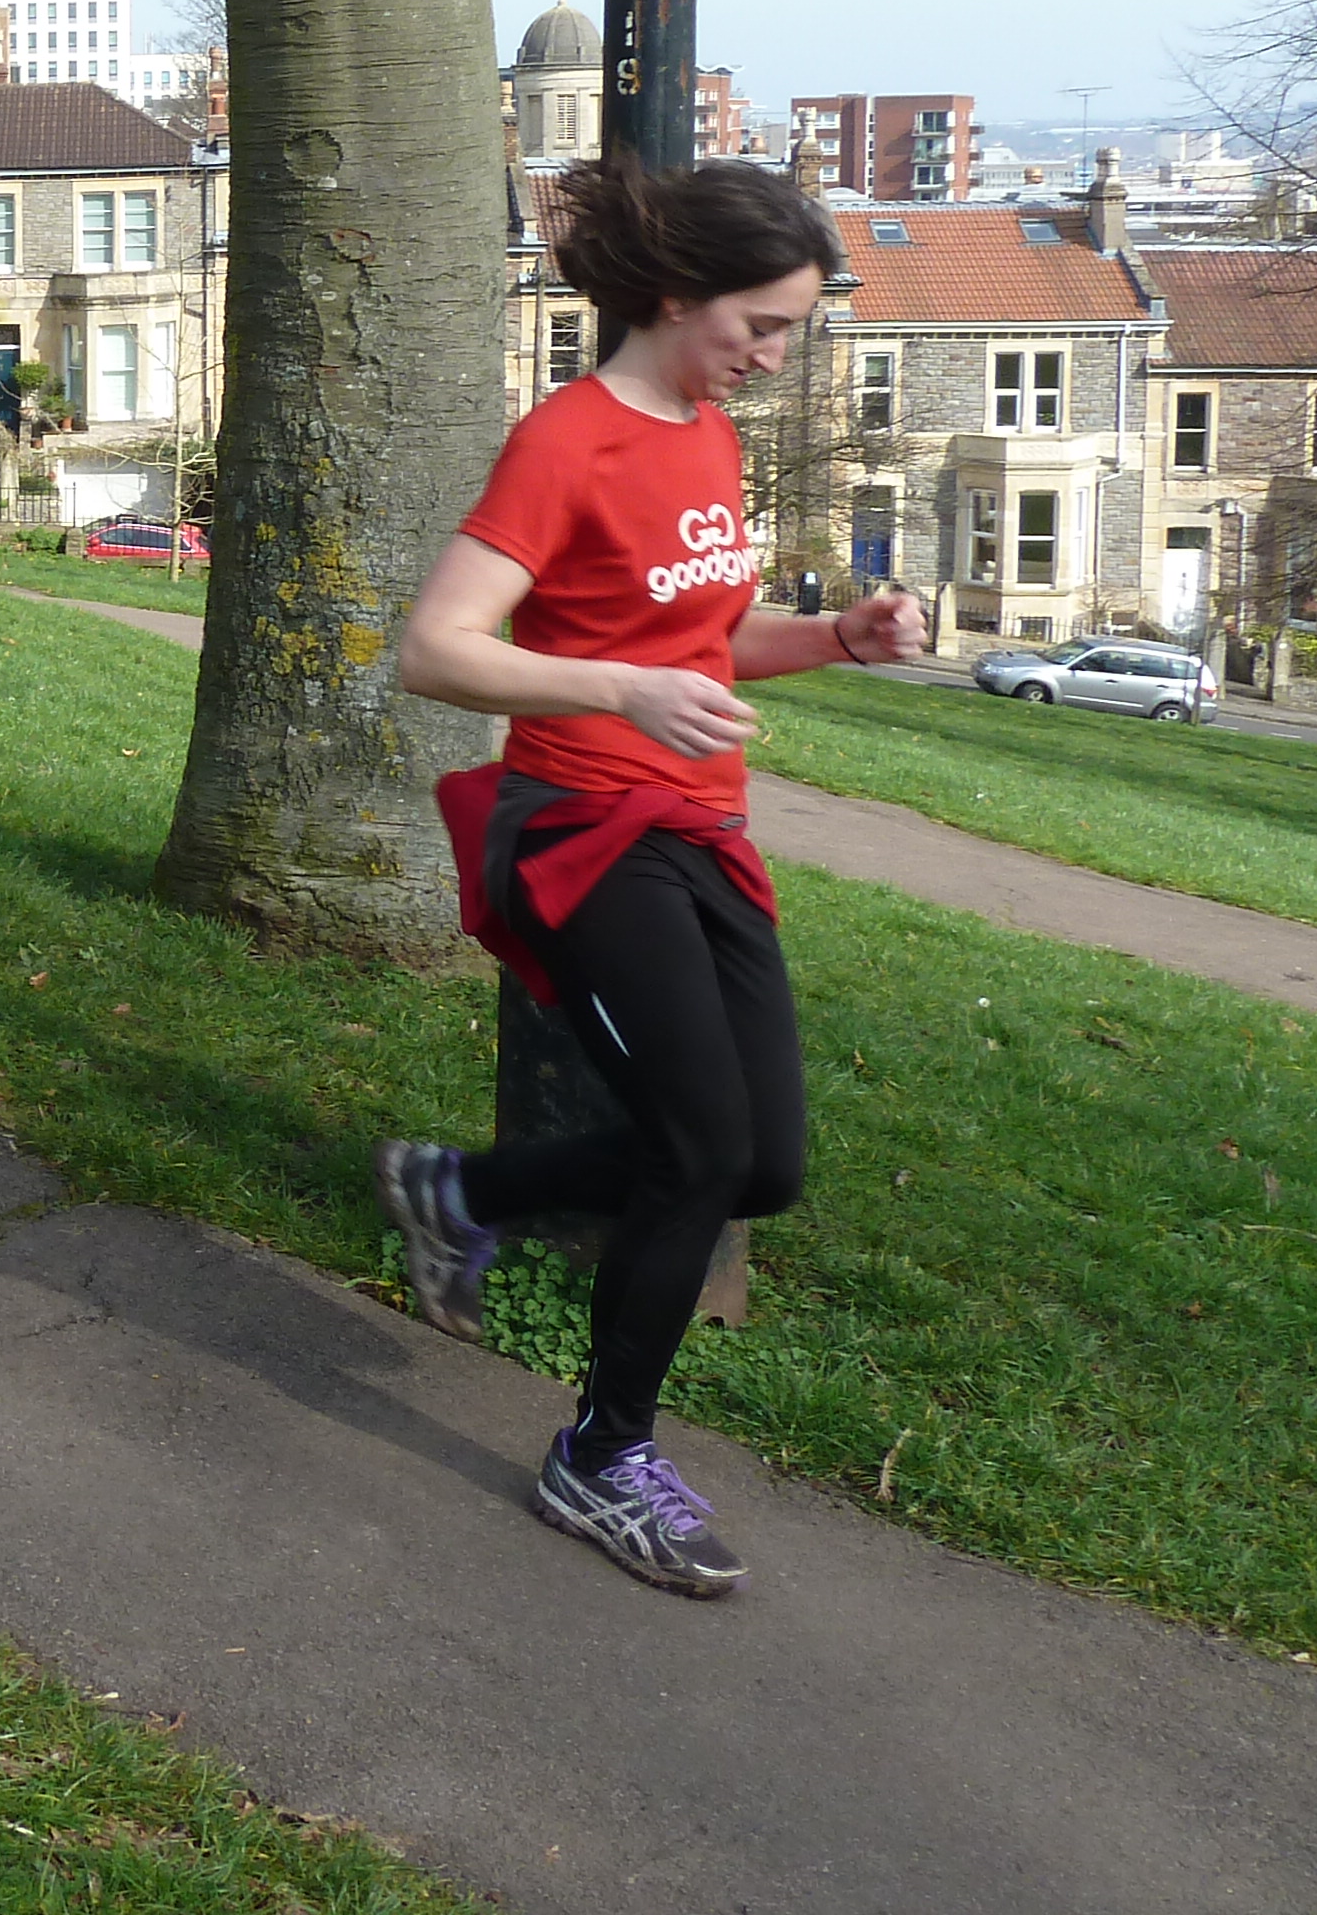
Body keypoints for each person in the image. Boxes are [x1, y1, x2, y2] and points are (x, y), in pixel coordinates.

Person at [378, 155, 927, 1599]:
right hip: (582, 832)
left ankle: (461, 1192)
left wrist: (835, 639)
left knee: (764, 1165)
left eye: (793, 331)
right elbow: (439, 649)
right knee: (694, 1147)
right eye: (763, 327)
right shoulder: (566, 441)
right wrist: (618, 694)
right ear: (679, 296)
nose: (775, 356)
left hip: (701, 830)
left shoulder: (706, 436)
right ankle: (601, 1456)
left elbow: (698, 643)